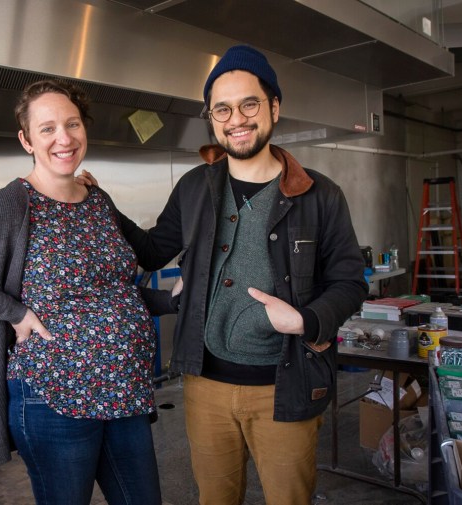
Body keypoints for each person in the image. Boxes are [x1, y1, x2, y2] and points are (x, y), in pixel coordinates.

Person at [114, 45, 369, 504]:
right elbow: (152, 252)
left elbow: (350, 282)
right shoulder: (195, 185)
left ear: (274, 107)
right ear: (211, 117)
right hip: (204, 385)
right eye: (223, 109)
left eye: (249, 103)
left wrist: (306, 321)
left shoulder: (319, 195)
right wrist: (100, 204)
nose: (237, 119)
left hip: (284, 385)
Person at [0, 79, 175, 505]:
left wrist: (175, 300)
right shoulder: (8, 206)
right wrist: (12, 311)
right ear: (26, 140)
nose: (63, 138)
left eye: (72, 124)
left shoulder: (98, 199)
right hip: (54, 398)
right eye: (47, 129)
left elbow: (114, 292)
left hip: (124, 392)